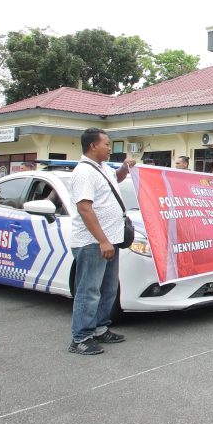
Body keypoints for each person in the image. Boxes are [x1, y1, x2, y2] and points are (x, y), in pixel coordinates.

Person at [67, 128, 135, 355]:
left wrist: (124, 170)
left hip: (110, 241)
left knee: (108, 288)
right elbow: (85, 209)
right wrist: (103, 240)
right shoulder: (84, 172)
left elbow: (113, 180)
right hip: (93, 243)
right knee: (89, 290)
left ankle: (99, 328)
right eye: (107, 143)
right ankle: (81, 338)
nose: (110, 147)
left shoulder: (102, 168)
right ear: (93, 146)